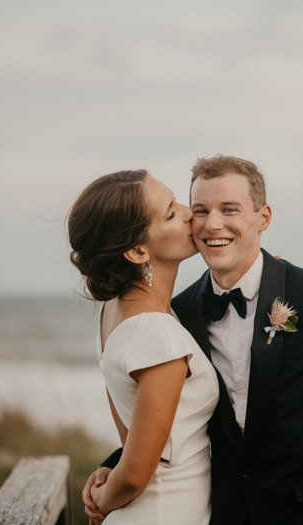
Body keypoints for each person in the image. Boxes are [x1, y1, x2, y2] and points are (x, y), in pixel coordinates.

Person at [85, 156, 303, 525]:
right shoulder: (178, 314)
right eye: (201, 209)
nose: (212, 223)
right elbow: (173, 420)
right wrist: (113, 466)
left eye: (230, 209)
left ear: (263, 218)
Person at [68, 170, 219, 525]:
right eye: (170, 213)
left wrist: (109, 475)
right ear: (137, 250)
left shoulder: (112, 313)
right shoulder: (157, 332)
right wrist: (103, 500)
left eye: (176, 199)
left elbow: (130, 434)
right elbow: (135, 475)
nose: (189, 213)